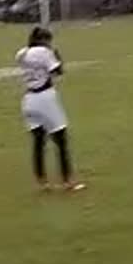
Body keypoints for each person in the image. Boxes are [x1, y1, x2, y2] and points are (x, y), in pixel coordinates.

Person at [15, 26, 84, 192]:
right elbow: (57, 71)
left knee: (38, 141)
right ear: (45, 40)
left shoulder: (21, 53)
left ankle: (41, 180)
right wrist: (58, 57)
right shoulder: (45, 52)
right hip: (45, 98)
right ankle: (68, 181)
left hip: (28, 99)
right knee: (61, 140)